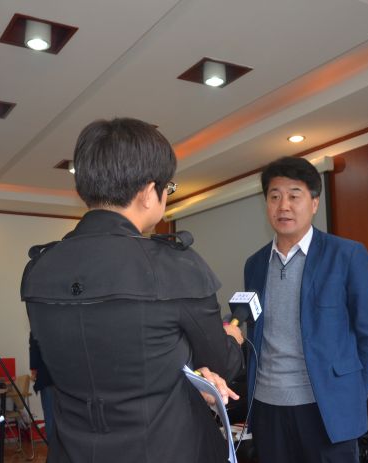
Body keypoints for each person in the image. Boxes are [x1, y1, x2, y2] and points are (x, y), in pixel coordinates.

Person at [21, 117, 244, 463]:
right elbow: (221, 365)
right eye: (168, 189)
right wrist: (233, 339)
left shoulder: (40, 268)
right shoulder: (175, 267)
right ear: (148, 192)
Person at [243, 156, 368, 462]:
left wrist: (351, 391)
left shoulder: (347, 255)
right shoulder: (255, 264)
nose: (283, 206)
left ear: (314, 203)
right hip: (268, 408)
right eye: (274, 196)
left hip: (327, 410)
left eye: (294, 195)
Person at [29, 332, 55, 440]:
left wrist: (34, 371)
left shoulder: (36, 329)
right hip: (64, 379)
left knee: (49, 414)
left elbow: (34, 352)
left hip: (46, 377)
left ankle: (52, 446)